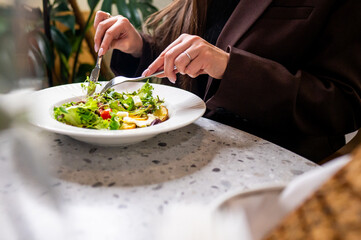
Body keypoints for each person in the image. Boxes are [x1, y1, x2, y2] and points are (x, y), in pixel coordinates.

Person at [93, 0, 361, 163]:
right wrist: (139, 47)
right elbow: (193, 64)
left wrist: (230, 68)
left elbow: (345, 104)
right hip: (190, 149)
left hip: (280, 170)